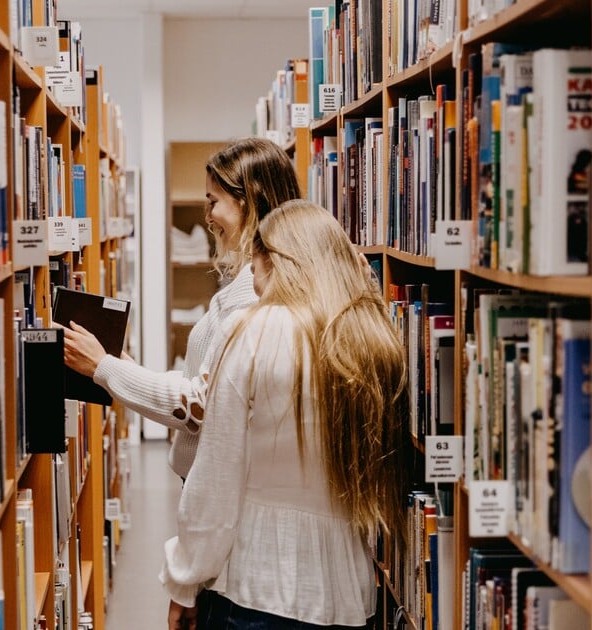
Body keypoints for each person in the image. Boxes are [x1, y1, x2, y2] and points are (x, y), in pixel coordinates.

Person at [160, 201, 413, 630]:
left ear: (272, 260)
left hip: (258, 589)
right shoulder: (370, 337)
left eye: (254, 268)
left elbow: (217, 479)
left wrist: (184, 581)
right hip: (347, 593)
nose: (253, 284)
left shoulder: (254, 331)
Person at [60, 137, 301, 481]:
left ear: (247, 203)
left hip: (226, 482)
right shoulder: (253, 279)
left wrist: (104, 366)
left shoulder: (255, 290)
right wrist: (120, 364)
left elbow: (197, 405)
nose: (207, 216)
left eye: (213, 201)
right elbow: (203, 381)